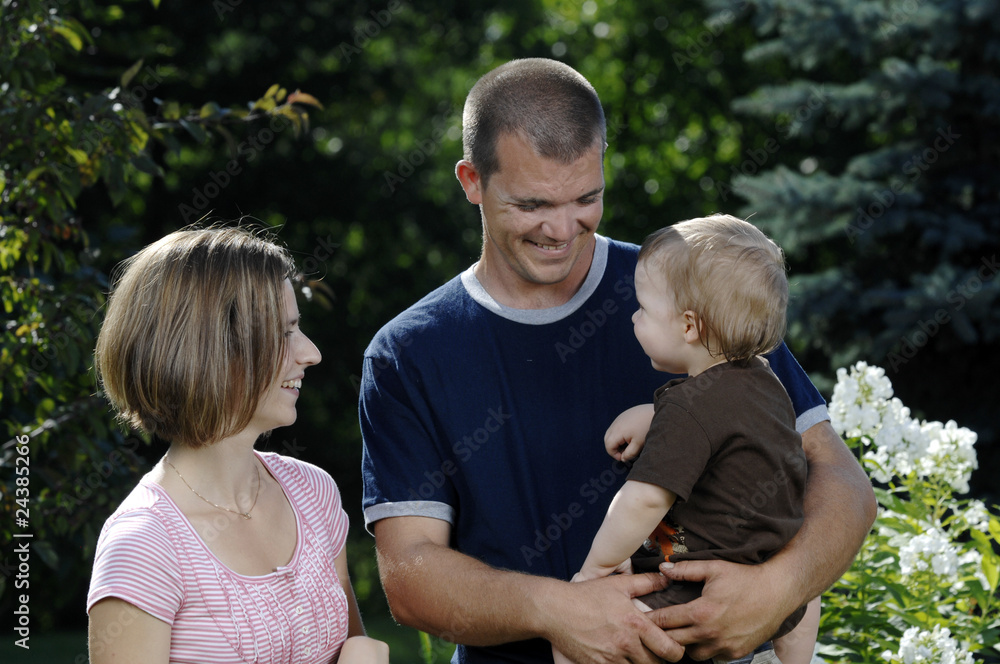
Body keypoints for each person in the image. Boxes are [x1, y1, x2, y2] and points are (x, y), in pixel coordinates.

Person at [360, 58, 875, 664]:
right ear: (472, 181)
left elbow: (841, 480)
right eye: (532, 205)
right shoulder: (409, 352)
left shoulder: (689, 289)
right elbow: (411, 578)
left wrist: (778, 589)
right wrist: (560, 611)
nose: (561, 227)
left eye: (586, 198)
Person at [88, 226, 389, 664]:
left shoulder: (312, 493)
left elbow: (351, 645)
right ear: (209, 349)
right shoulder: (144, 545)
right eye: (284, 333)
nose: (311, 353)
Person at [552, 215, 819, 664]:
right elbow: (729, 429)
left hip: (693, 594)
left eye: (643, 309)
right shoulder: (766, 381)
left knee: (575, 637)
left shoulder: (688, 409)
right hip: (775, 586)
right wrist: (656, 414)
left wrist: (597, 567)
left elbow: (642, 502)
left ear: (689, 326)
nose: (634, 317)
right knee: (808, 598)